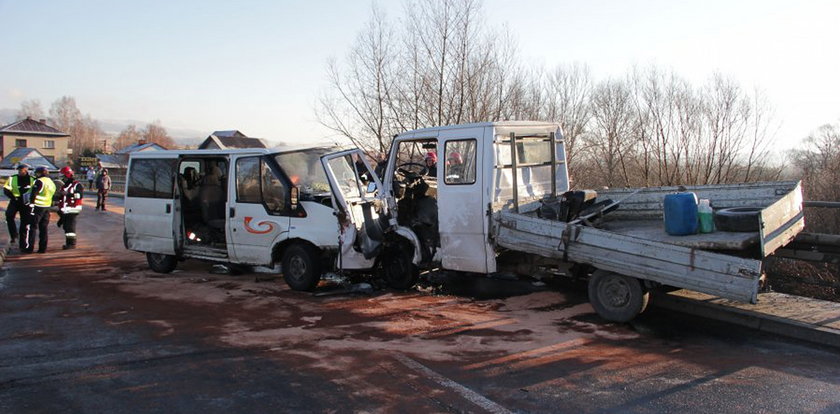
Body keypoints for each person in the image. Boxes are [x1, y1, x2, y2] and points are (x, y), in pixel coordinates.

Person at [21, 166, 56, 254]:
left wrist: (31, 203)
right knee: (43, 228)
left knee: (32, 227)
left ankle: (30, 248)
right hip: (47, 207)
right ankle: (42, 248)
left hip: (37, 207)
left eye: (37, 173)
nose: (36, 174)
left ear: (40, 173)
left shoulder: (39, 181)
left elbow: (34, 193)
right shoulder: (51, 182)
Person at [3, 163, 33, 244]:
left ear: (26, 170)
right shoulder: (13, 178)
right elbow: (6, 189)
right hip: (15, 201)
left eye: (22, 170)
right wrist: (13, 197)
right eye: (19, 170)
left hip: (26, 202)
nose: (20, 172)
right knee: (9, 215)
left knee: (25, 220)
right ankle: (14, 236)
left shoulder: (32, 179)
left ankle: (22, 239)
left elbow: (35, 190)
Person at [56, 166, 83, 249]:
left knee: (70, 227)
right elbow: (62, 198)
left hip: (73, 209)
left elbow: (79, 195)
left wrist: (68, 194)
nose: (62, 179)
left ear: (67, 175)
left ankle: (71, 244)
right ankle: (69, 243)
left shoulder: (77, 185)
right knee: (66, 227)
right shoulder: (64, 186)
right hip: (65, 210)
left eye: (63, 177)